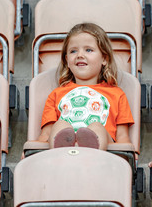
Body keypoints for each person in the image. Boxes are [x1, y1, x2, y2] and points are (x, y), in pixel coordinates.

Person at [38, 22, 134, 150]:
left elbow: (122, 137)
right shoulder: (56, 95)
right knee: (60, 125)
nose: (80, 55)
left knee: (96, 127)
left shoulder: (117, 94)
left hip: (106, 155)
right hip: (63, 156)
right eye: (73, 51)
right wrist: (30, 152)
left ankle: (91, 154)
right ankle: (63, 154)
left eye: (88, 50)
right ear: (67, 60)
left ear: (104, 58)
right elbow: (46, 134)